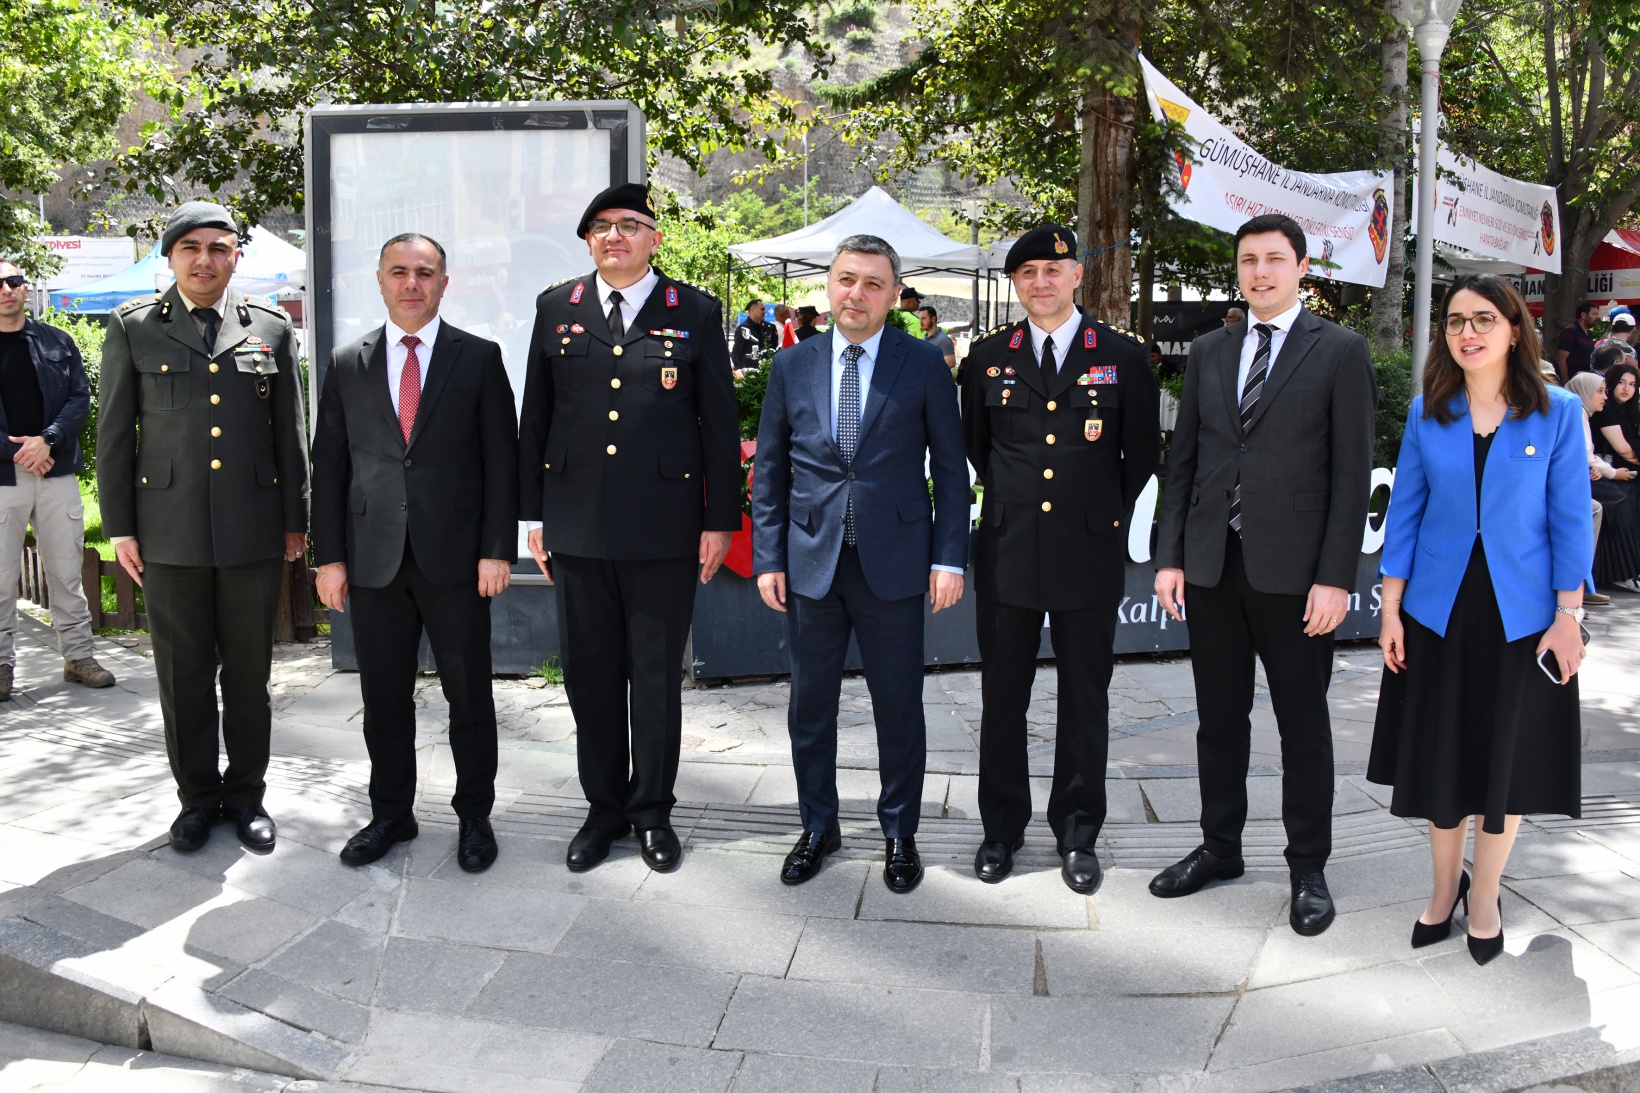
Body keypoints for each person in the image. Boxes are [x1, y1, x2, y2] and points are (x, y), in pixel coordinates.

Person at [1152, 213, 1376, 936]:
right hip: (1216, 566)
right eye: (1249, 260)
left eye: (1275, 260)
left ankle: (1308, 864)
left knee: (1302, 725)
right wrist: (1172, 555)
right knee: (1219, 721)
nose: (1260, 272)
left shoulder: (1340, 351)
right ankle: (1221, 847)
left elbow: (1350, 477)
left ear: (1302, 268)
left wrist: (1336, 577)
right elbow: (1183, 460)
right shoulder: (1213, 351)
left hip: (1298, 576)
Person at [1370, 274, 1592, 966]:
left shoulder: (1555, 412)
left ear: (1514, 329)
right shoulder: (1426, 413)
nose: (1468, 331)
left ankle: (1487, 894)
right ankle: (1443, 889)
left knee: (1504, 762)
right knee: (1443, 759)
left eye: (1484, 318)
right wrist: (1390, 607)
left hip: (1522, 617)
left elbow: (1568, 518)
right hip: (1438, 614)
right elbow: (1402, 515)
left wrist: (1568, 616)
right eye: (1456, 320)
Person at [518, 182, 740, 874]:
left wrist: (719, 521)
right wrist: (533, 515)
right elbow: (538, 416)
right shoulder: (558, 307)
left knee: (653, 677)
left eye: (630, 225)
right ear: (588, 241)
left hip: (665, 527)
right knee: (589, 677)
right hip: (577, 525)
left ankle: (652, 810)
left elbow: (718, 425)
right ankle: (603, 808)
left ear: (655, 239)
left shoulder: (694, 311)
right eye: (602, 227)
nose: (615, 236)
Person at [751, 234, 968, 894]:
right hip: (812, 561)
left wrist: (949, 558)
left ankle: (899, 829)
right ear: (829, 286)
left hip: (895, 563)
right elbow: (768, 468)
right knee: (809, 706)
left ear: (894, 294)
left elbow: (951, 471)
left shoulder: (924, 363)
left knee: (898, 704)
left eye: (874, 283)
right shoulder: (792, 365)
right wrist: (768, 556)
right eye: (847, 279)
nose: (857, 293)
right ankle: (818, 823)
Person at [97, 202, 308, 854]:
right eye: (190, 247)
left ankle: (246, 797)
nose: (205, 259)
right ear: (171, 256)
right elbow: (113, 438)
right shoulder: (135, 328)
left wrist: (295, 523)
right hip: (169, 532)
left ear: (235, 257)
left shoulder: (268, 328)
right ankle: (197, 799)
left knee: (249, 675)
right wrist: (122, 528)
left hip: (251, 530)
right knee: (182, 676)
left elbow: (288, 436)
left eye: (219, 248)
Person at [961, 224, 1161, 892]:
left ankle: (1079, 831)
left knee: (1084, 698)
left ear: (1078, 275)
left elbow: (1140, 458)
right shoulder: (987, 357)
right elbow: (978, 447)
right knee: (1002, 697)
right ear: (1015, 285)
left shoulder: (1124, 357)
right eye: (1027, 274)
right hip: (1009, 549)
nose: (1040, 282)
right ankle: (1001, 829)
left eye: (1053, 269)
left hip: (1087, 549)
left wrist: (1093, 510)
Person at [311, 234, 518, 872]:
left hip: (456, 561)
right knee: (384, 698)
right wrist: (329, 557)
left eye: (424, 273)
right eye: (398, 272)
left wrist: (495, 549)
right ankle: (391, 813)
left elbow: (500, 463)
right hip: (374, 563)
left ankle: (474, 816)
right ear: (379, 280)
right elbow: (331, 466)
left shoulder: (478, 358)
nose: (411, 283)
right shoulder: (349, 362)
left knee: (470, 697)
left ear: (443, 283)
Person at [0, 261, 114, 699]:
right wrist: (19, 451)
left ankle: (79, 657)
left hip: (54, 469)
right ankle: (2, 665)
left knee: (66, 571)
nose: (7, 290)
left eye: (14, 281)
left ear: (26, 289)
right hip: (4, 473)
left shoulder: (57, 342)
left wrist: (47, 440)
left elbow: (79, 397)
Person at [1565, 371, 1638, 598]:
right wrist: (1611, 472)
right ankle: (1613, 573)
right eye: (1599, 391)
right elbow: (1585, 454)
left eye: (1633, 384)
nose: (1604, 397)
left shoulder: (1584, 414)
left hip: (1589, 474)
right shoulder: (1576, 414)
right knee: (1619, 501)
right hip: (1572, 481)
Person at [732, 298, 778, 374]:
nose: (765, 312)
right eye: (762, 309)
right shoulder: (743, 328)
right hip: (747, 373)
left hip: (761, 372)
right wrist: (740, 369)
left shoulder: (764, 327)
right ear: (752, 310)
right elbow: (736, 353)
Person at [1556, 301, 1598, 379]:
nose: (1596, 317)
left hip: (1585, 379)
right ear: (1583, 315)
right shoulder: (1570, 331)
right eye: (1594, 314)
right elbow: (1561, 359)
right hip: (1573, 380)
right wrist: (1566, 381)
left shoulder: (1589, 335)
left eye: (1597, 314)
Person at [918, 305, 957, 370]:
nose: (920, 322)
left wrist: (930, 370)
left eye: (924, 318)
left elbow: (951, 363)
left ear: (933, 319)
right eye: (920, 319)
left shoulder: (943, 340)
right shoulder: (924, 338)